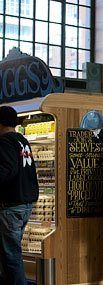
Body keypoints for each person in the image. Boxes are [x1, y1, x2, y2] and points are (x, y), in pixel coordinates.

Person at [0, 106, 39, 285]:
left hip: (10, 205)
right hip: (25, 204)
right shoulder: (22, 140)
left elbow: (6, 170)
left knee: (11, 254)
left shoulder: (5, 141)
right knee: (10, 251)